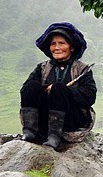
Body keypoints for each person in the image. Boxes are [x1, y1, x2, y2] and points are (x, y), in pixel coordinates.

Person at [19, 22, 97, 150]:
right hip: (45, 119)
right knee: (31, 86)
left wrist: (64, 90)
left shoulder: (83, 70)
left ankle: (55, 137)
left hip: (71, 120)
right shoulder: (42, 68)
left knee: (59, 88)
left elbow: (89, 97)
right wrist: (46, 90)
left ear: (71, 47)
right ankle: (30, 132)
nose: (56, 47)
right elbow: (26, 91)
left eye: (62, 43)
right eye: (53, 44)